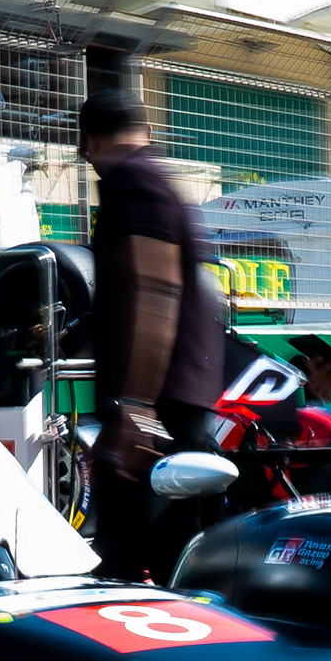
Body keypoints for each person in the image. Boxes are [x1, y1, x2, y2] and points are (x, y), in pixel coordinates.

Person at [77, 94, 228, 576]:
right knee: (150, 562)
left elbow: (157, 289)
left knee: (145, 570)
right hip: (169, 404)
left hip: (157, 410)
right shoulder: (157, 180)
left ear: (89, 141)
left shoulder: (131, 181)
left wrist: (136, 406)